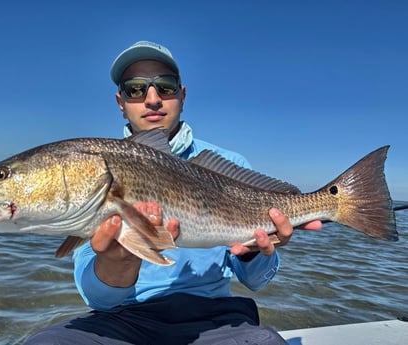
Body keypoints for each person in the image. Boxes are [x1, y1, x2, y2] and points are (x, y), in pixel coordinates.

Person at [24, 41, 321, 345]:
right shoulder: (89, 168)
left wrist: (254, 253)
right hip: (125, 318)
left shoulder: (230, 165)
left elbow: (257, 281)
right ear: (120, 102)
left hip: (215, 319)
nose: (152, 100)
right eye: (136, 89)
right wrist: (120, 261)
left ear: (182, 94)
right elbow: (97, 299)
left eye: (164, 87)